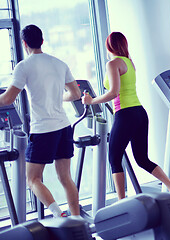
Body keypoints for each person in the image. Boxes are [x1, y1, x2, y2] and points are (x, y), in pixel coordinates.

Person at [82, 32, 170, 200]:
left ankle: (122, 201)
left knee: (114, 158)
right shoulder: (130, 62)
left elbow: (114, 92)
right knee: (142, 159)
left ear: (109, 46)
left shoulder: (113, 63)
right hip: (139, 113)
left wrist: (91, 101)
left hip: (125, 115)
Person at [0, 25, 81, 217]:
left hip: (44, 130)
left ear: (24, 43)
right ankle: (77, 220)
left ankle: (58, 214)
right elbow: (76, 93)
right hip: (63, 126)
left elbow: (8, 99)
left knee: (33, 179)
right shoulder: (59, 63)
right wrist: (58, 98)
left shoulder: (24, 66)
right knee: (65, 177)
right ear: (42, 41)